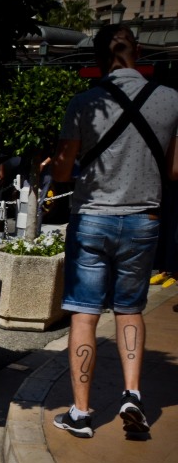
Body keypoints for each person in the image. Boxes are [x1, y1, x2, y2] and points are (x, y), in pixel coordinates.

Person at [49, 24, 178, 439]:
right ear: (137, 51)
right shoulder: (171, 100)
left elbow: (64, 169)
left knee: (85, 314)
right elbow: (175, 170)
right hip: (144, 219)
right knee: (130, 309)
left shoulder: (83, 103)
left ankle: (82, 414)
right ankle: (132, 393)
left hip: (92, 217)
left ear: (99, 57)